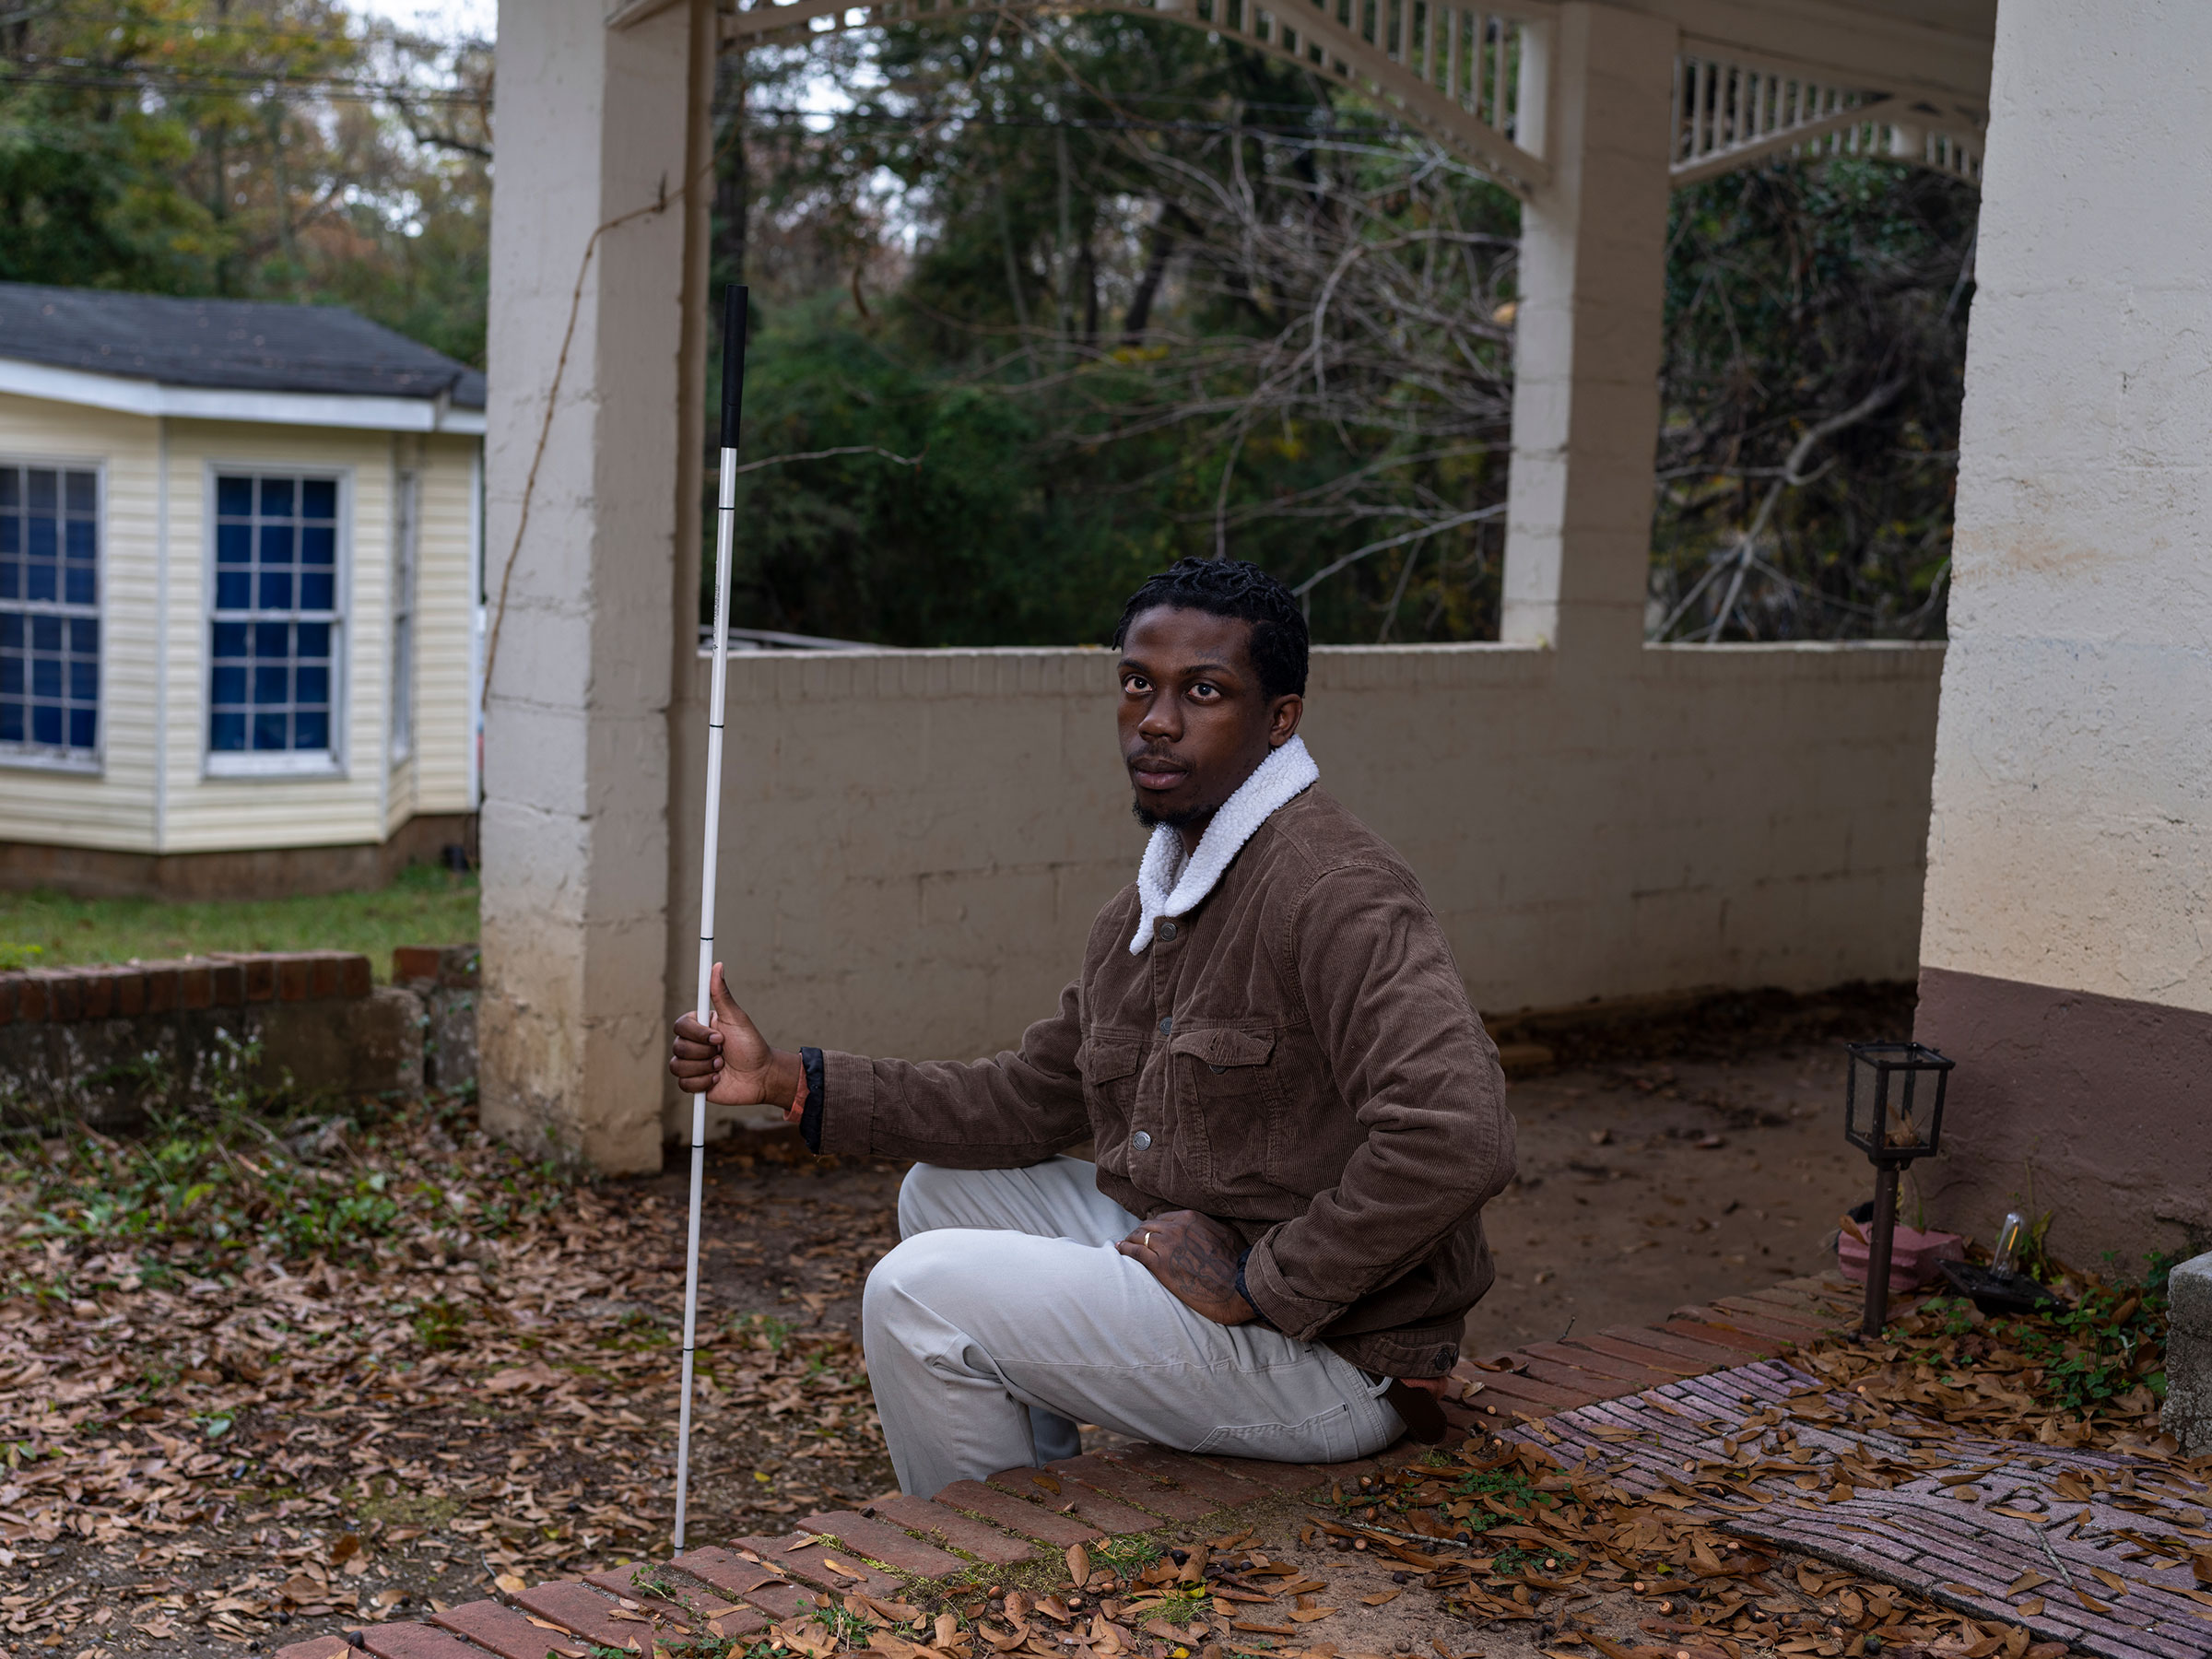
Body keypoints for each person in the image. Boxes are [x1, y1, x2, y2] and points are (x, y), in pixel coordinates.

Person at [670, 559, 1515, 1499]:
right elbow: (1019, 1103)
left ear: (1280, 719)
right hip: (1202, 1262)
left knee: (916, 1293)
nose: (1155, 719)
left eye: (1203, 691)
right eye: (1136, 685)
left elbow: (1458, 1137)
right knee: (944, 1196)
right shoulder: (1146, 912)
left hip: (1331, 1356)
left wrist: (1265, 1283)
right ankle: (1031, 1510)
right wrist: (789, 1079)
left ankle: (980, 1572)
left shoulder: (1335, 891)